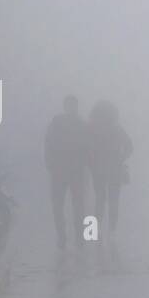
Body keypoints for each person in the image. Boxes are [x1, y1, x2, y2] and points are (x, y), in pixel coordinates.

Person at [86, 100, 133, 259]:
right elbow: (129, 147)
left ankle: (98, 229)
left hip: (99, 170)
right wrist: (121, 158)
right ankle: (111, 231)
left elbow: (86, 149)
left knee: (101, 199)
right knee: (113, 200)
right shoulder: (116, 129)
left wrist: (91, 161)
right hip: (113, 169)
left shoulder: (92, 129)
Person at [44, 95, 88, 252]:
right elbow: (48, 143)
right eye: (69, 105)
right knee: (59, 206)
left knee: (77, 207)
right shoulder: (58, 122)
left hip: (74, 172)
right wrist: (49, 163)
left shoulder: (81, 125)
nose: (71, 108)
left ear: (75, 107)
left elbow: (87, 148)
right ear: (65, 106)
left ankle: (78, 238)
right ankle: (62, 237)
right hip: (60, 171)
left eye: (73, 105)